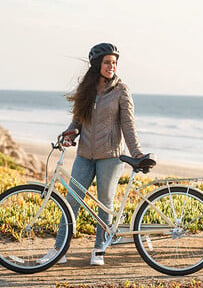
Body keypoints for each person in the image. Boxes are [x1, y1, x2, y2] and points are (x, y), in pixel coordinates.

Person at [42, 43, 145, 265]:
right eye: (107, 62)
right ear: (97, 64)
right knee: (72, 201)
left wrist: (137, 153)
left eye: (114, 63)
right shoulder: (87, 89)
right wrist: (71, 132)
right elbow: (78, 119)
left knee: (104, 203)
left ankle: (100, 248)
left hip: (110, 156)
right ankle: (59, 248)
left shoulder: (121, 90)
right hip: (85, 155)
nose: (111, 66)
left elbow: (128, 126)